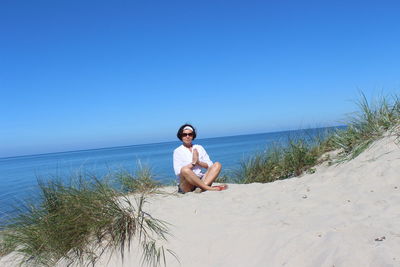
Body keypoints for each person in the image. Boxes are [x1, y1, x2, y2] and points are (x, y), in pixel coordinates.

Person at [173, 124, 227, 193]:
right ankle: (207, 188)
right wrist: (193, 163)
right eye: (184, 134)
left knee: (217, 165)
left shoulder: (199, 148)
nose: (187, 136)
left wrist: (198, 162)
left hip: (201, 180)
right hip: (187, 184)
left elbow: (210, 165)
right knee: (184, 169)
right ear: (181, 136)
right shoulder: (177, 151)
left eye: (190, 134)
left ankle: (201, 188)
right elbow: (178, 172)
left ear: (193, 136)